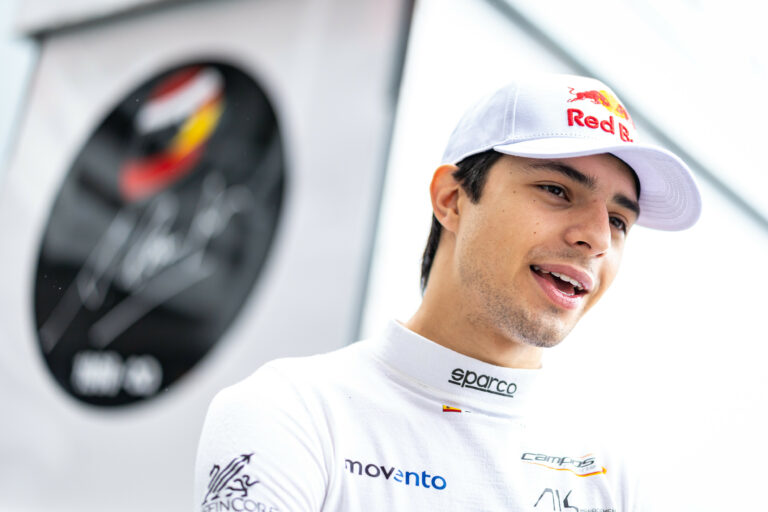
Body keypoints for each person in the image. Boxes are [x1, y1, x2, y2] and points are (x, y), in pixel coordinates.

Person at [194, 74, 701, 511]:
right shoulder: (292, 410)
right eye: (557, 190)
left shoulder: (618, 476)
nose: (595, 237)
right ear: (452, 200)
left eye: (618, 220)